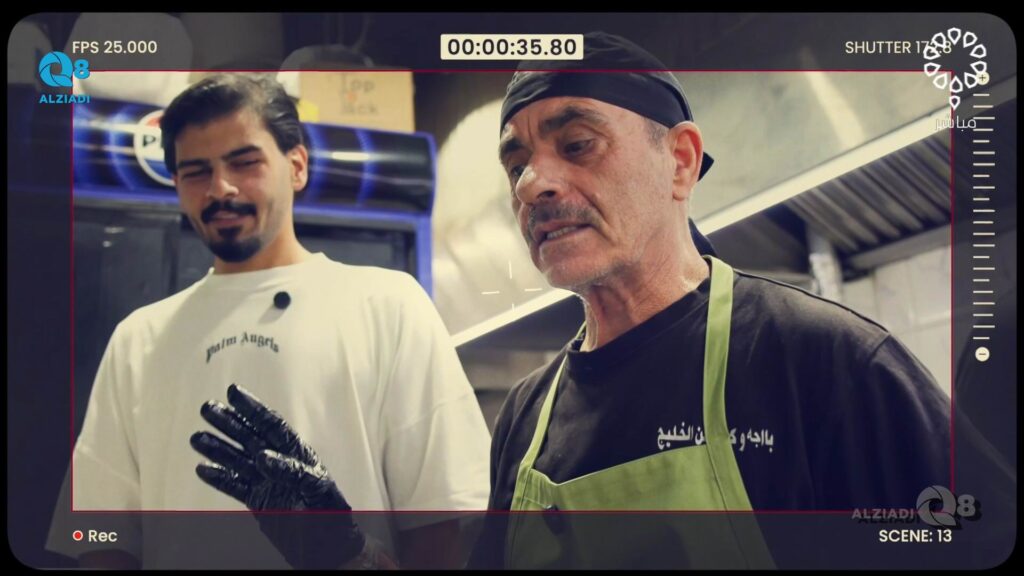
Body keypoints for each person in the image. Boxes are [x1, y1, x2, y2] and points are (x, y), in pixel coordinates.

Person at [466, 31, 958, 569]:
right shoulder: (523, 417)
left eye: (578, 144)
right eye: (516, 166)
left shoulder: (825, 360)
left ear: (680, 161)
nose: (530, 185)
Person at [45, 73, 490, 569]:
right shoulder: (138, 339)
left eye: (244, 162)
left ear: (296, 166)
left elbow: (442, 520)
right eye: (196, 172)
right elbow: (105, 536)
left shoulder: (389, 305)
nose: (220, 188)